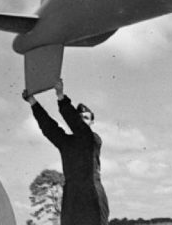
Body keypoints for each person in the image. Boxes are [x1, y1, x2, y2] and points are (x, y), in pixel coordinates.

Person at [22, 78, 109, 225]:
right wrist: (33, 102)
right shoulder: (66, 143)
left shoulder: (93, 140)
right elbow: (49, 127)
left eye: (86, 118)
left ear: (92, 123)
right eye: (80, 117)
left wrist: (61, 96)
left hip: (92, 194)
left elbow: (77, 125)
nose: (82, 121)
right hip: (71, 197)